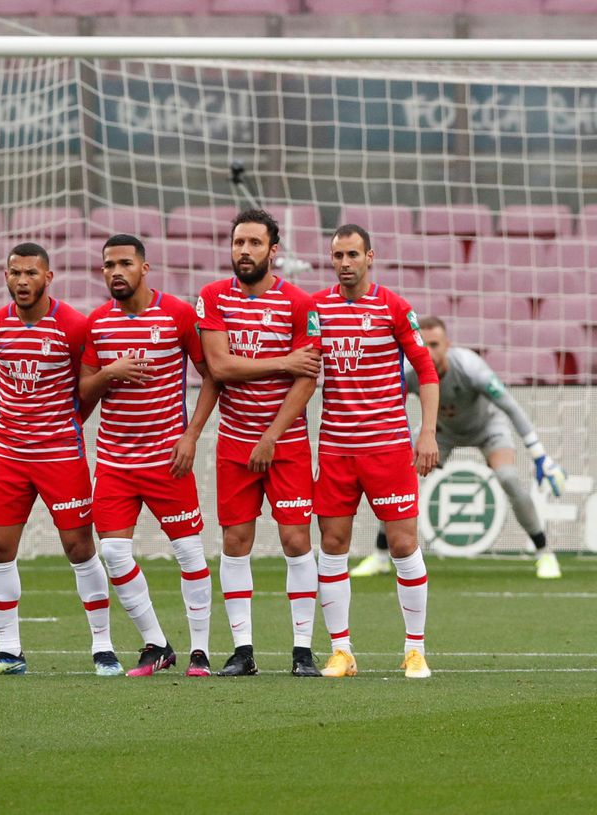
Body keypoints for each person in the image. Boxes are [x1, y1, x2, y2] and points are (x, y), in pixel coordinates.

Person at [0, 243, 121, 676]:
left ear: (48, 278)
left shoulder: (74, 326)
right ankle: (8, 651)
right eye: (14, 272)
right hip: (9, 454)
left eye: (30, 273)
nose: (21, 280)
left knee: (79, 547)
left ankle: (103, 647)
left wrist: (62, 423)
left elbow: (86, 389)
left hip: (60, 454)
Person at [79, 234, 220, 677]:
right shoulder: (96, 324)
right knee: (115, 553)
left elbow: (212, 376)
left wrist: (191, 436)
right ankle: (157, 644)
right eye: (108, 265)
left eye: (124, 263)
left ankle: (200, 652)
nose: (115, 272)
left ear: (145, 267)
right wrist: (109, 373)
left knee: (190, 553)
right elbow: (82, 392)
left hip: (168, 458)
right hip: (117, 463)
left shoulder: (177, 313)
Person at [196, 209, 324, 677]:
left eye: (253, 243)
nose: (244, 251)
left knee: (295, 540)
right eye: (237, 243)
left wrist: (271, 436)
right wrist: (282, 362)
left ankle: (302, 650)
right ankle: (243, 650)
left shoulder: (301, 304)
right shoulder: (212, 297)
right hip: (233, 442)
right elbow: (220, 368)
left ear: (274, 250)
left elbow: (307, 379)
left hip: (286, 444)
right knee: (236, 541)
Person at [312, 224, 440, 679]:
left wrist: (426, 433)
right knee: (332, 545)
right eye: (337, 255)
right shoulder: (318, 309)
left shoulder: (394, 307)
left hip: (387, 448)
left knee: (404, 544)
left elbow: (426, 370)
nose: (344, 262)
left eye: (352, 254)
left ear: (371, 256)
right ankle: (342, 650)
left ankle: (415, 650)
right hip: (336, 449)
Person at [350, 315, 565, 580]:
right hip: (442, 432)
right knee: (401, 479)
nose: (428, 351)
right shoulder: (409, 372)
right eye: (423, 344)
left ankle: (544, 552)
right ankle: (381, 556)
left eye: (435, 344)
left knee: (508, 477)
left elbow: (511, 407)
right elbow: (389, 406)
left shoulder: (471, 368)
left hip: (487, 428)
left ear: (448, 344)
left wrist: (540, 456)